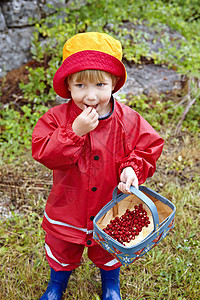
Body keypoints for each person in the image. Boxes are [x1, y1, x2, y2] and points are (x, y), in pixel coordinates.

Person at [32, 32, 164, 300]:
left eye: (100, 85)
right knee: (62, 246)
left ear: (114, 83)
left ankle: (110, 284)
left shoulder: (127, 119)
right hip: (69, 204)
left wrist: (132, 168)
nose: (90, 96)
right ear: (68, 84)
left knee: (109, 249)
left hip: (109, 205)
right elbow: (44, 152)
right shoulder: (57, 118)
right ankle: (56, 284)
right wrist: (73, 132)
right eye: (80, 85)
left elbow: (147, 146)